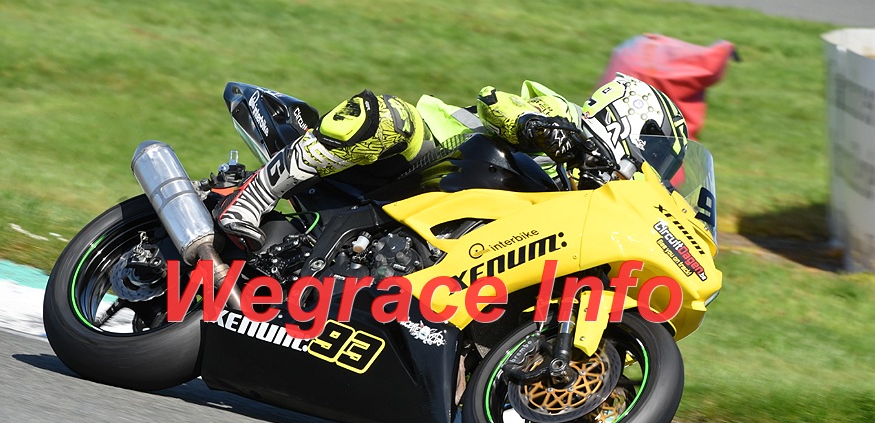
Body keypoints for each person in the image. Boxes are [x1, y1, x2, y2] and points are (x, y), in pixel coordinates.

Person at [215, 73, 688, 252]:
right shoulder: (567, 120)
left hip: (454, 237)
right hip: (427, 160)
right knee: (384, 117)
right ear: (630, 117)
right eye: (657, 150)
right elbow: (493, 100)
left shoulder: (593, 199)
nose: (655, 166)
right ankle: (252, 197)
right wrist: (539, 128)